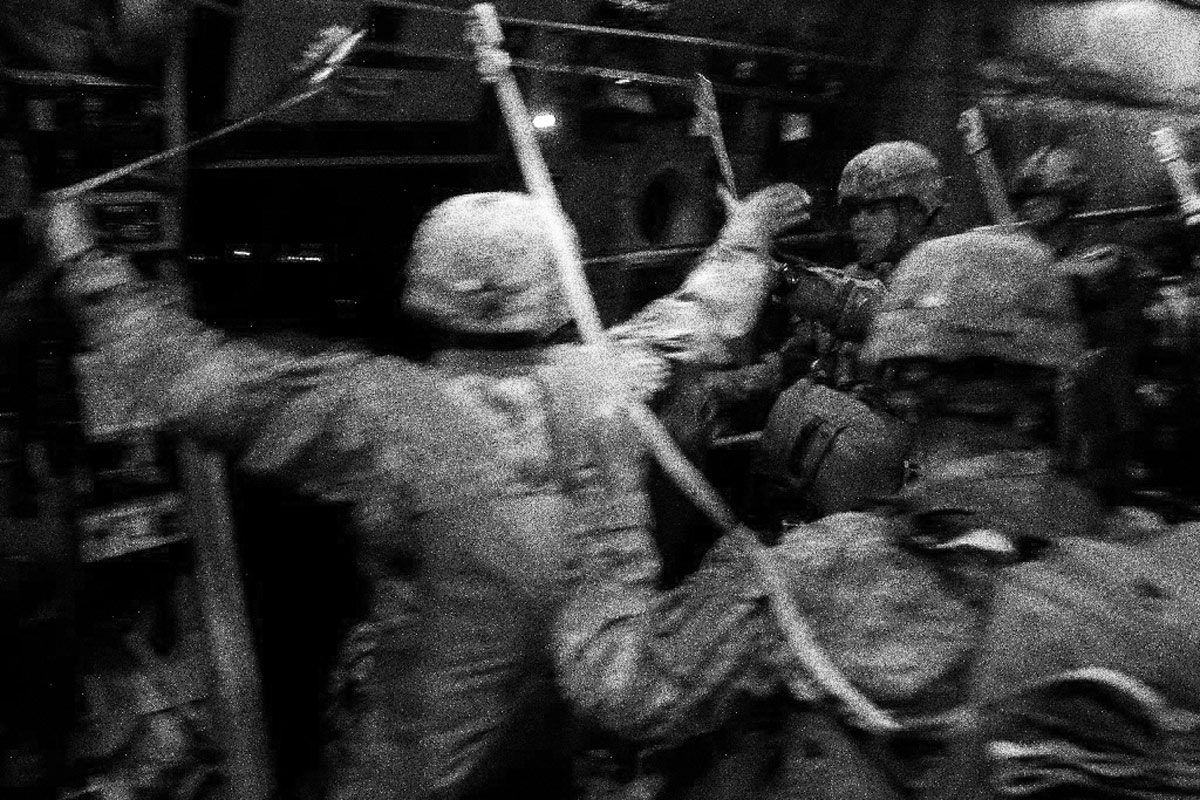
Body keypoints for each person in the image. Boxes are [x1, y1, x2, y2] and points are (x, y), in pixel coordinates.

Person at [46, 182, 811, 800]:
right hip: (573, 738)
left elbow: (189, 380)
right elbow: (706, 312)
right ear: (554, 286)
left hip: (418, 766)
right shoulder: (608, 377)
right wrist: (745, 231)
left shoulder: (380, 409)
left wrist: (80, 260)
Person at [554, 228, 1200, 799]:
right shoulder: (1152, 563)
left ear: (899, 384)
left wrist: (610, 496)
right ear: (1054, 381)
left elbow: (620, 683)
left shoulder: (829, 571)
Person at [715, 141, 945, 524]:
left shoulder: (942, 285)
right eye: (854, 211)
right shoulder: (854, 276)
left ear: (915, 211)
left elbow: (863, 308)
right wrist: (725, 387)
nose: (858, 223)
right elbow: (794, 360)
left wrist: (776, 275)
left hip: (868, 498)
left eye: (873, 208)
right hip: (799, 470)